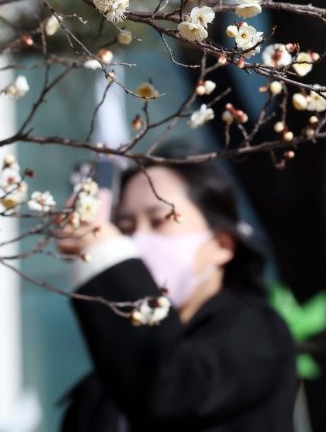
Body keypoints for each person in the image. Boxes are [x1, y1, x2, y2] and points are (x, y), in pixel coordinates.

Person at [58, 160, 298, 432]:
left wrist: (106, 258)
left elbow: (173, 391)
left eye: (159, 221)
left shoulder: (258, 331)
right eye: (125, 228)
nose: (135, 243)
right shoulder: (105, 387)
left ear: (221, 245)